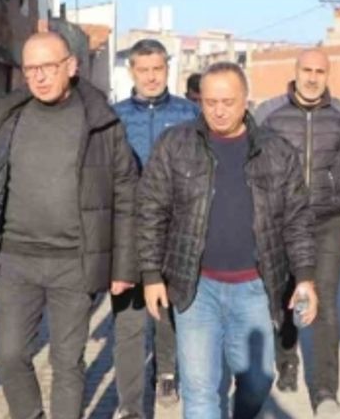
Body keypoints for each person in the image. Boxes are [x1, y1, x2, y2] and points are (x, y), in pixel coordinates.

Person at [0, 32, 137, 419]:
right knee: (9, 354)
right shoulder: (7, 118)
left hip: (75, 262)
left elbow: (125, 196)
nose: (38, 77)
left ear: (71, 66)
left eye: (48, 67)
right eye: (30, 69)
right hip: (16, 261)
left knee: (67, 362)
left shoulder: (102, 123)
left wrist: (124, 268)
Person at [136, 62, 319, 419]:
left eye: (228, 102)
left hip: (255, 287)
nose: (219, 111)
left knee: (258, 380)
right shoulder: (176, 144)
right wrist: (152, 275)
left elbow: (297, 219)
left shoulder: (276, 150)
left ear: (245, 100)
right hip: (195, 287)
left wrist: (305, 278)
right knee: (199, 390)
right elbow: (150, 211)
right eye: (210, 102)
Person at [254, 48, 340, 413]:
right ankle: (287, 360)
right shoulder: (268, 113)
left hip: (325, 223)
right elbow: (252, 164)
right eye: (307, 70)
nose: (313, 77)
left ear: (327, 75)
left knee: (326, 303)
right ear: (296, 71)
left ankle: (325, 392)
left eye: (320, 71)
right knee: (282, 296)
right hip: (279, 223)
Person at [111, 39, 200, 416]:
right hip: (128, 229)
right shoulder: (114, 117)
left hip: (175, 226)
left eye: (157, 69)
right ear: (131, 71)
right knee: (129, 319)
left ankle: (166, 372)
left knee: (168, 307)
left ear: (167, 69)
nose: (151, 77)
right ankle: (130, 405)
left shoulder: (189, 114)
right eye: (143, 70)